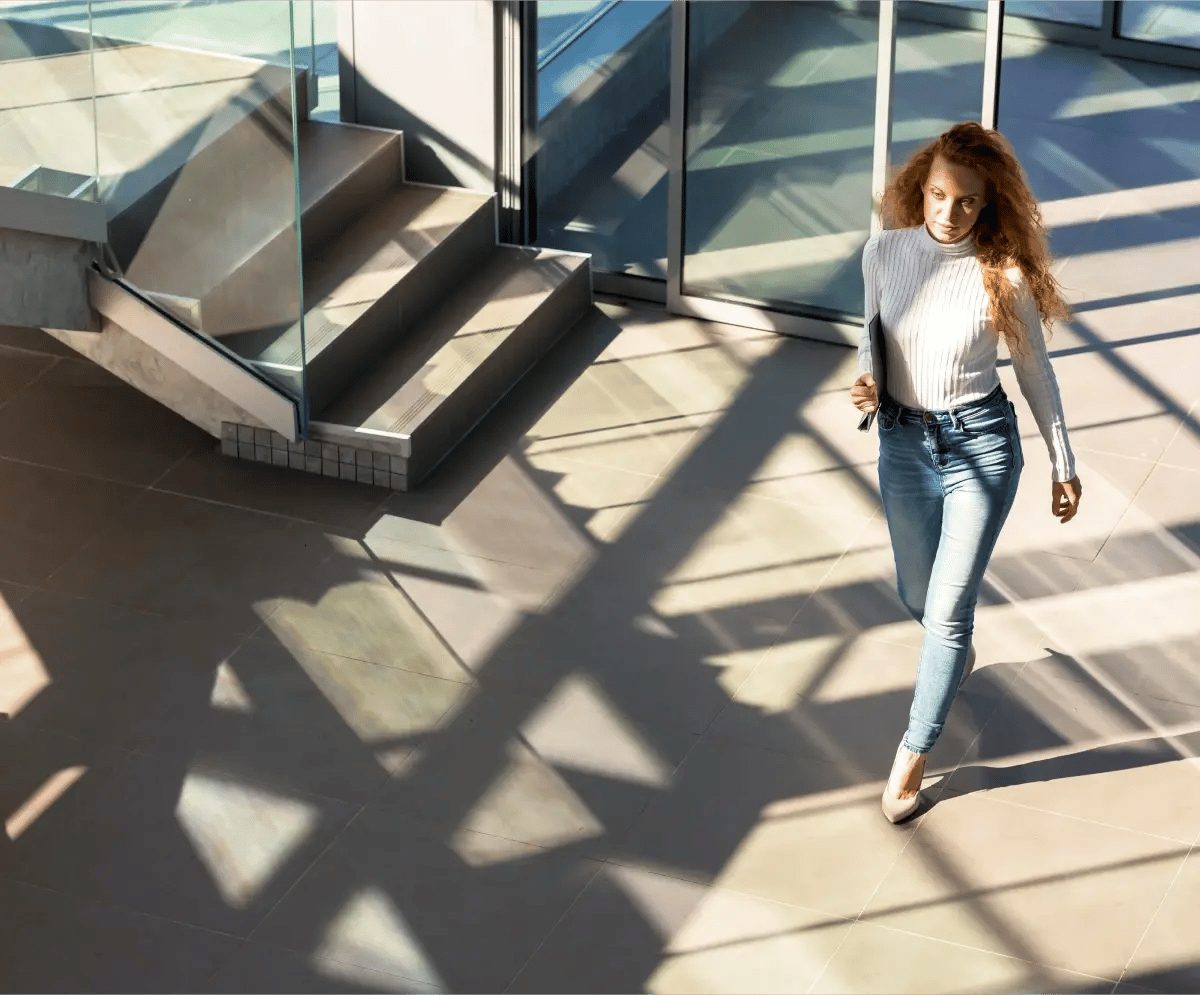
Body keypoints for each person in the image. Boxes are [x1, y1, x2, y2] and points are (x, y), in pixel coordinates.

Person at [849, 121, 1083, 824]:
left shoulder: (1001, 276)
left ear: (989, 205)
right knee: (918, 594)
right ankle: (957, 650)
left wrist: (1062, 461)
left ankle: (912, 756)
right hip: (903, 446)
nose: (948, 213)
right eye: (939, 195)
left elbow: (1036, 374)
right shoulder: (883, 253)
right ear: (922, 187)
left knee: (946, 613)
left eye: (967, 202)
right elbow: (873, 342)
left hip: (981, 447)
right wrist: (868, 383)